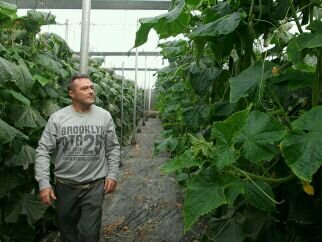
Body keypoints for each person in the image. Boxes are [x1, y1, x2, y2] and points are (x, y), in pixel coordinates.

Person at [35, 74, 120, 242]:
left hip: (94, 186)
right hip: (65, 187)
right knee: (67, 233)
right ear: (71, 94)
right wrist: (44, 183)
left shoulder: (104, 116)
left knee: (90, 234)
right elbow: (43, 150)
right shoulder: (58, 118)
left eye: (91, 87)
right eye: (84, 88)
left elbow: (113, 148)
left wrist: (112, 175)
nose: (91, 91)